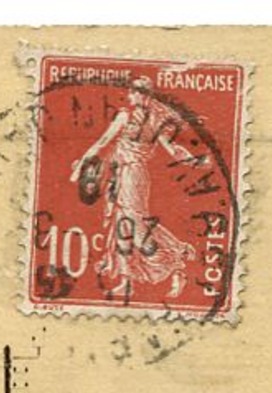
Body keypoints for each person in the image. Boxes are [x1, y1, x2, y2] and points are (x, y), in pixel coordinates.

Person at [69, 77, 201, 300]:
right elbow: (173, 150)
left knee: (135, 228)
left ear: (142, 94)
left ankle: (175, 265)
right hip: (121, 174)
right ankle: (126, 282)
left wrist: (81, 165)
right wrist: (192, 161)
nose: (129, 98)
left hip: (132, 176)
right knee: (123, 227)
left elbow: (102, 143)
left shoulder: (137, 117)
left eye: (132, 93)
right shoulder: (151, 118)